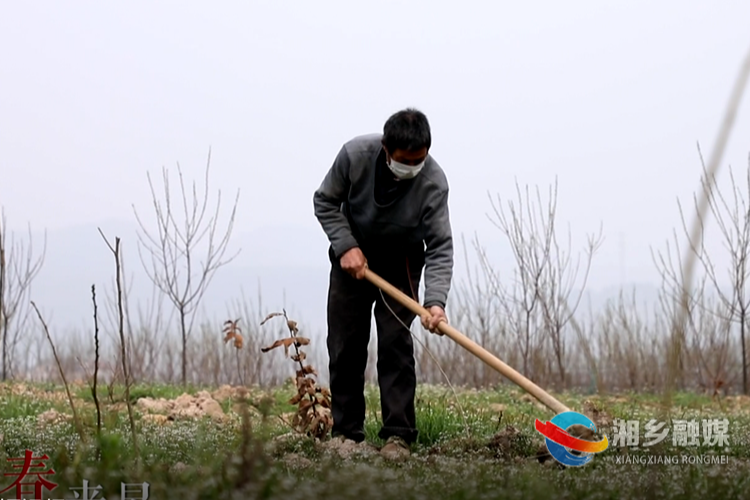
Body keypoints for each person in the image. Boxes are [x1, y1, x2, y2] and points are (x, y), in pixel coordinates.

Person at [312, 108, 454, 461]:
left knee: (395, 345)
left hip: (401, 262)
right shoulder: (354, 157)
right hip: (352, 258)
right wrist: (346, 246)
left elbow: (439, 246)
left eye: (418, 160)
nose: (412, 167)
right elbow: (325, 201)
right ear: (386, 150)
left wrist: (435, 302)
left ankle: (398, 435)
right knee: (345, 345)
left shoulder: (433, 183)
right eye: (405, 161)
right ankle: (347, 434)